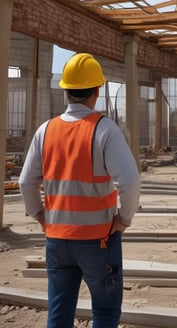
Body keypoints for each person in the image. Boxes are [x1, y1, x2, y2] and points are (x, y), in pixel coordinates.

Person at [19, 53, 141, 328]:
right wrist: (124, 219)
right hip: (97, 240)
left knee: (59, 314)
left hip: (57, 240)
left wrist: (39, 215)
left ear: (66, 91)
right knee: (106, 312)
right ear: (97, 91)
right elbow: (130, 181)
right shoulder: (105, 130)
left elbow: (26, 181)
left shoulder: (46, 130)